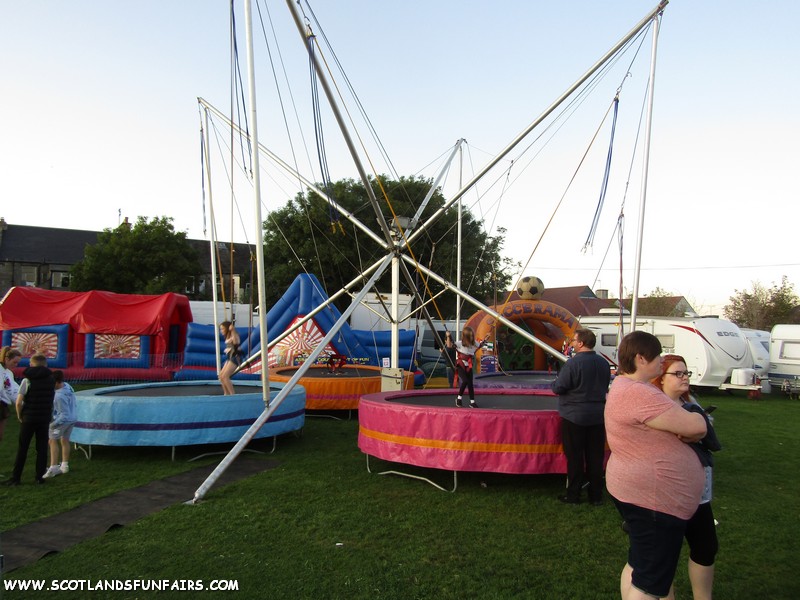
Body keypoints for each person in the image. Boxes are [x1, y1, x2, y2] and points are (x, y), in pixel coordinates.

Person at [605, 331, 707, 600]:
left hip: (641, 492)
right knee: (650, 579)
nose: (662, 361)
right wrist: (691, 426)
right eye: (658, 355)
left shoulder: (628, 388)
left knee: (640, 562)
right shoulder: (638, 393)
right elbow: (698, 426)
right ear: (641, 358)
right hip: (653, 499)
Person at [652, 355, 721, 600]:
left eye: (686, 373)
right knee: (665, 554)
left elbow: (705, 438)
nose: (685, 378)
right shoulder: (654, 410)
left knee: (706, 547)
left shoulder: (692, 405)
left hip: (698, 493)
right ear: (661, 379)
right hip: (666, 494)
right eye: (678, 373)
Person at [550, 328, 611, 505]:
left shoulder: (573, 364)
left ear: (581, 343)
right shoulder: (603, 363)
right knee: (595, 457)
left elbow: (559, 387)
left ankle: (573, 495)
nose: (572, 344)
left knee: (575, 457)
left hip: (574, 416)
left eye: (574, 341)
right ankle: (596, 496)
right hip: (597, 416)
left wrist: (555, 383)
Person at [5, 354, 55, 486]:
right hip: (44, 417)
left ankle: (16, 477)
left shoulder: (27, 380)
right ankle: (39, 477)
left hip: (29, 417)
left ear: (31, 364)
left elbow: (19, 402)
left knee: (23, 448)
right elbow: (51, 400)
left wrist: (19, 415)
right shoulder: (51, 379)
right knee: (42, 447)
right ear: (45, 365)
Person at [42, 370, 78, 479]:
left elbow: (64, 414)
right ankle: (64, 465)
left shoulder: (58, 396)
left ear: (57, 382)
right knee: (64, 440)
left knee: (52, 440)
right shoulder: (67, 386)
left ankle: (53, 467)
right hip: (73, 418)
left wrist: (53, 425)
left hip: (63, 421)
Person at [454, 326, 488, 408]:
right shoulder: (460, 343)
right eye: (471, 336)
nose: (472, 337)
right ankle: (459, 399)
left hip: (469, 365)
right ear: (466, 337)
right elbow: (450, 345)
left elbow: (480, 345)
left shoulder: (474, 343)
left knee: (470, 384)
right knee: (465, 381)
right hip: (461, 365)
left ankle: (472, 402)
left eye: (473, 336)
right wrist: (448, 336)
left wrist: (486, 339)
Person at [0, 346, 22, 443]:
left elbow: (13, 389)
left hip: (3, 406)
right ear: (6, 359)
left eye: (17, 363)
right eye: (14, 362)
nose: (16, 365)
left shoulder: (9, 373)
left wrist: (23, 400)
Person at [219, 321, 241, 396]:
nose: (221, 331)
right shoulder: (228, 336)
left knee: (225, 376)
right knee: (221, 376)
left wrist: (233, 330)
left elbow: (235, 342)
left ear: (227, 329)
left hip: (235, 358)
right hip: (230, 358)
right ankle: (226, 393)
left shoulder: (234, 335)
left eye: (222, 329)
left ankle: (232, 394)